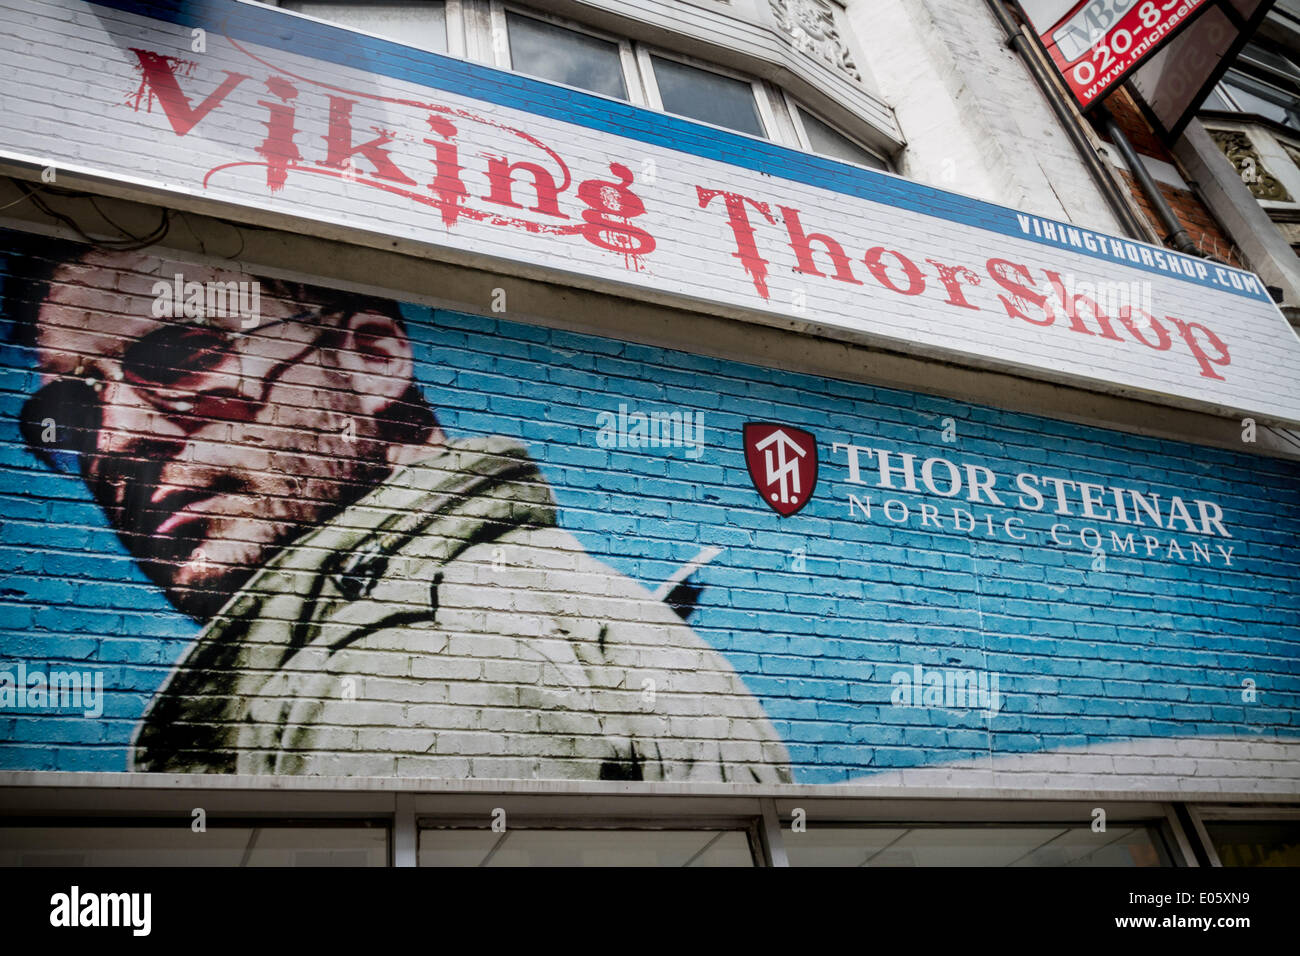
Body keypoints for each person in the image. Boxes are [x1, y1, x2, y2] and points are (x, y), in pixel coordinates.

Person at [7, 233, 792, 782]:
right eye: (74, 414)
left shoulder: (406, 656)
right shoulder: (528, 595)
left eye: (180, 356)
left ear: (371, 359)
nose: (113, 441)